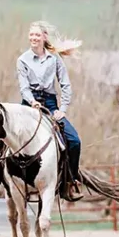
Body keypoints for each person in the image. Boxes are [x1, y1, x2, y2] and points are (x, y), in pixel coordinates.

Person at [16, 20, 83, 193]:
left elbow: (65, 85)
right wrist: (32, 102)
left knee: (74, 141)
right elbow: (24, 87)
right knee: (6, 132)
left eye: (37, 35)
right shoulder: (22, 60)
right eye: (31, 34)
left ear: (44, 37)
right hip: (29, 103)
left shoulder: (55, 59)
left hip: (51, 104)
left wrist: (63, 109)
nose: (34, 38)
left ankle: (70, 180)